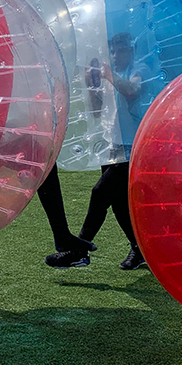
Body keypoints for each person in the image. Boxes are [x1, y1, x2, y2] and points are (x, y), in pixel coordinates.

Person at [45, 32, 147, 270]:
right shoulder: (110, 73)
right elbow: (97, 111)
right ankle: (138, 248)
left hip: (134, 148)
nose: (114, 55)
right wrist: (91, 87)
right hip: (113, 143)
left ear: (130, 49)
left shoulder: (139, 68)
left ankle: (78, 250)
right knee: (118, 203)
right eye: (112, 51)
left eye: (119, 50)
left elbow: (132, 90)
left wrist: (109, 76)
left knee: (100, 193)